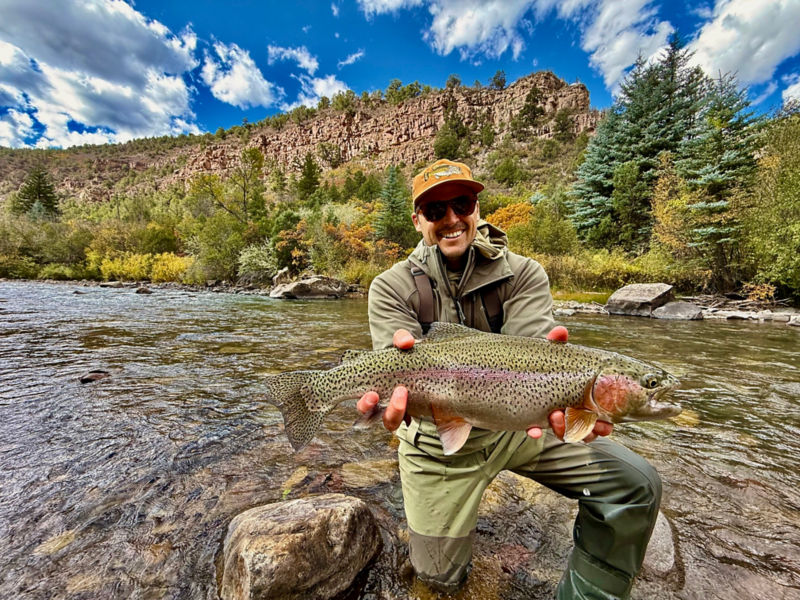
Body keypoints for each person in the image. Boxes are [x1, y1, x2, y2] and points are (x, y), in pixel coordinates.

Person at [357, 159, 662, 599]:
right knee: (439, 583)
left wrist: (578, 406)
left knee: (637, 485)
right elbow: (390, 370)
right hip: (437, 446)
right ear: (417, 220)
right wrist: (381, 397)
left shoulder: (524, 273)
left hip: (522, 426)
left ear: (476, 207)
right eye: (435, 210)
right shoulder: (390, 286)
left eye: (461, 204)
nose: (451, 219)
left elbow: (531, 359)